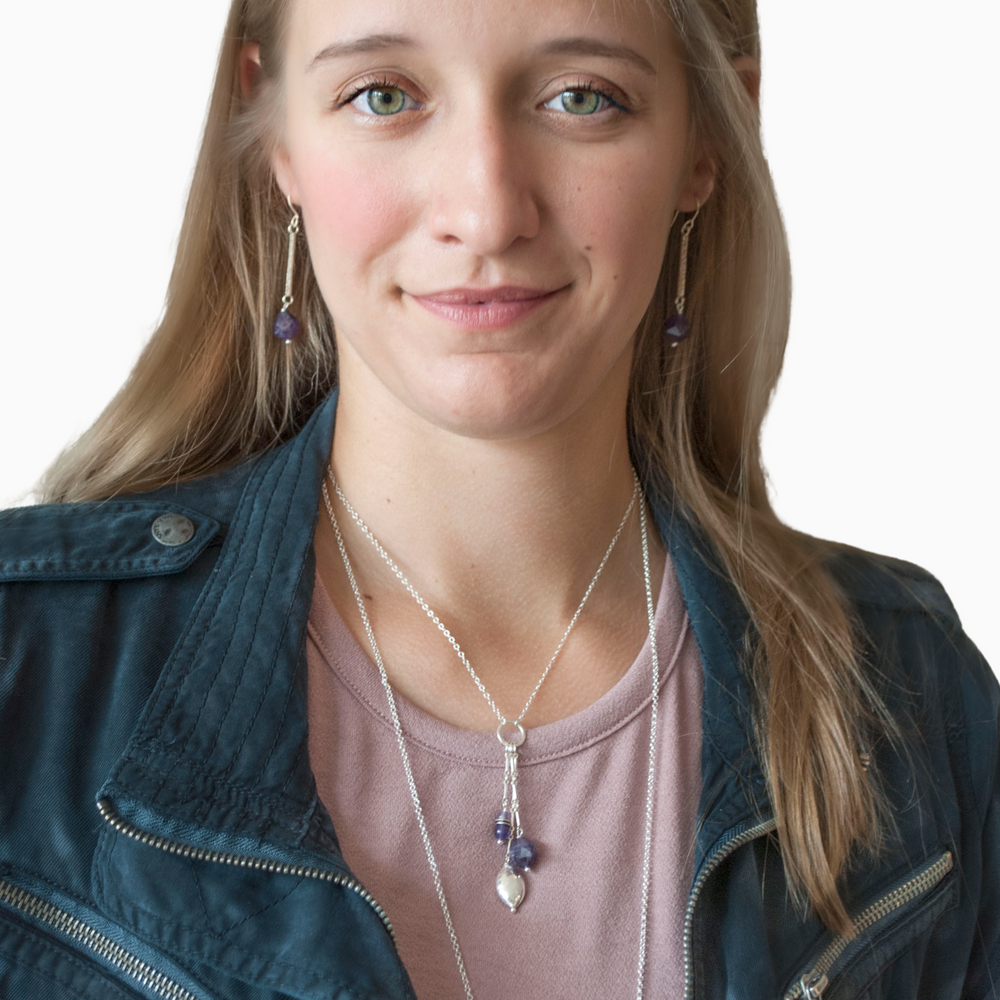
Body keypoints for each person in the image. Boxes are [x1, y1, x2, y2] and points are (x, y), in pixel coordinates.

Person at [0, 0, 995, 997]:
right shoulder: (23, 669)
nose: (485, 212)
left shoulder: (910, 691)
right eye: (382, 95)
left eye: (581, 98)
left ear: (709, 137)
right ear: (273, 130)